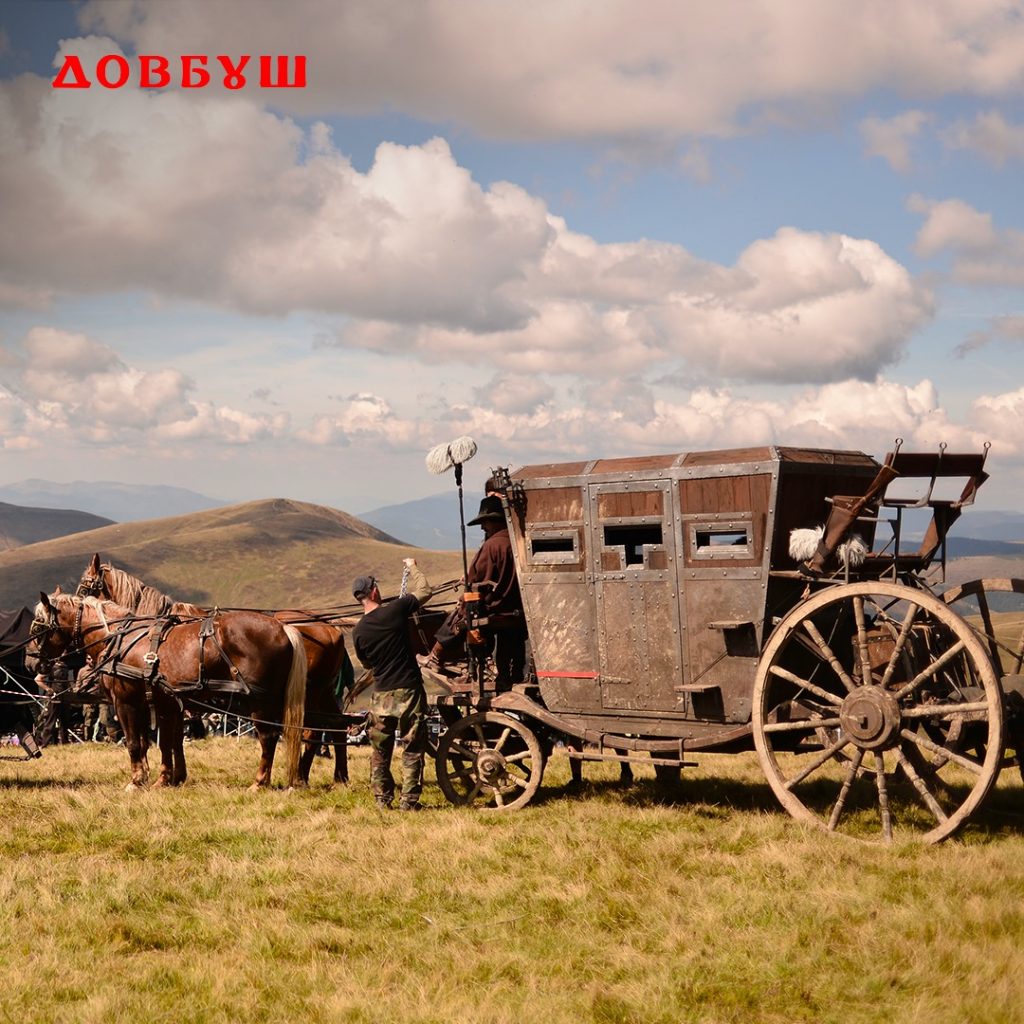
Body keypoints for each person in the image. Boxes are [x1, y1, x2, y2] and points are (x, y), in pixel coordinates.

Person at [351, 559, 433, 811]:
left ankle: (382, 800)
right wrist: (412, 567)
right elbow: (425, 591)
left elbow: (367, 665)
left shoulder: (359, 632)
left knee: (380, 751)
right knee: (412, 747)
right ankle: (408, 802)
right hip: (408, 689)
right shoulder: (396, 609)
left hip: (381, 695)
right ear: (374, 591)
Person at [423, 494, 526, 688]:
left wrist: (463, 602)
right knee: (509, 635)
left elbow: (476, 581)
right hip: (517, 611)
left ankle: (437, 657)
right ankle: (509, 675)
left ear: (494, 521)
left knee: (460, 614)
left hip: (494, 609)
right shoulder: (519, 543)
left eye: (484, 523)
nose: (482, 528)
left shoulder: (491, 546)